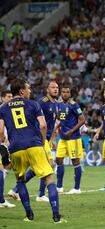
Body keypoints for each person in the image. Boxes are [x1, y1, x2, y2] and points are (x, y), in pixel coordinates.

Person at [0, 79, 63, 222]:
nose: (30, 91)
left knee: (20, 181)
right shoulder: (33, 104)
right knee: (48, 178)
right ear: (21, 91)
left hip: (15, 148)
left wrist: (3, 146)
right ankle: (56, 216)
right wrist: (42, 141)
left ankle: (29, 215)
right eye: (28, 88)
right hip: (34, 144)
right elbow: (43, 125)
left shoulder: (3, 108)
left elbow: (0, 133)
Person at [8, 81, 59, 202]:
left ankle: (17, 189)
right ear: (47, 89)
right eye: (53, 87)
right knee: (49, 165)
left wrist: (52, 139)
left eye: (57, 87)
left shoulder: (56, 104)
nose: (56, 89)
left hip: (46, 139)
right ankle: (38, 194)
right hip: (38, 138)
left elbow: (52, 124)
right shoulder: (41, 103)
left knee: (47, 165)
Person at [56, 85, 85, 194]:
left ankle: (77, 188)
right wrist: (55, 129)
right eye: (63, 92)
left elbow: (82, 120)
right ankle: (59, 187)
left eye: (67, 92)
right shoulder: (58, 105)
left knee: (75, 161)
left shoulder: (74, 105)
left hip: (73, 138)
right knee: (58, 159)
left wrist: (71, 131)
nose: (65, 94)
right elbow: (59, 120)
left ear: (70, 94)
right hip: (63, 138)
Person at [0, 90, 15, 208]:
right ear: (2, 98)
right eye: (8, 96)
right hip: (1, 143)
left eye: (12, 96)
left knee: (9, 165)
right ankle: (1, 201)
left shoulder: (10, 111)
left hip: (6, 143)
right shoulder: (1, 110)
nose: (11, 98)